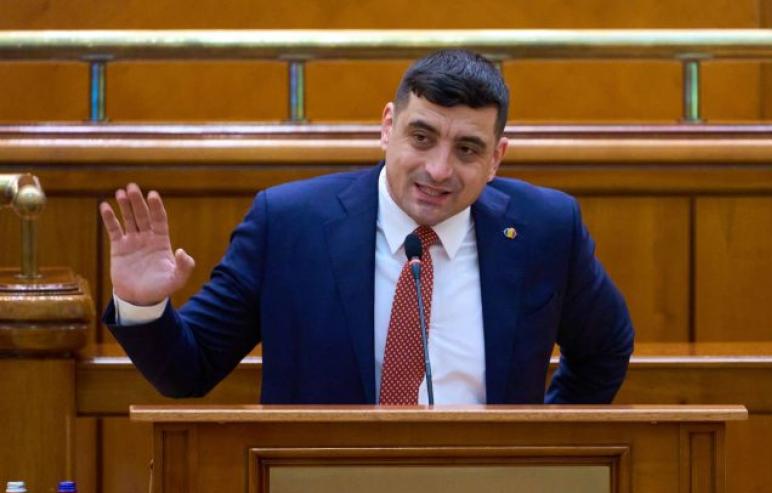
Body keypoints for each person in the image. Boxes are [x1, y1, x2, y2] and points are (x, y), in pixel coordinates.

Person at [100, 49, 634, 405]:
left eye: (468, 149)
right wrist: (143, 305)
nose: (439, 170)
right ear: (387, 127)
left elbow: (605, 348)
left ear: (497, 159)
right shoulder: (289, 225)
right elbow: (188, 370)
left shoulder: (545, 229)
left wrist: (542, 446)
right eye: (421, 138)